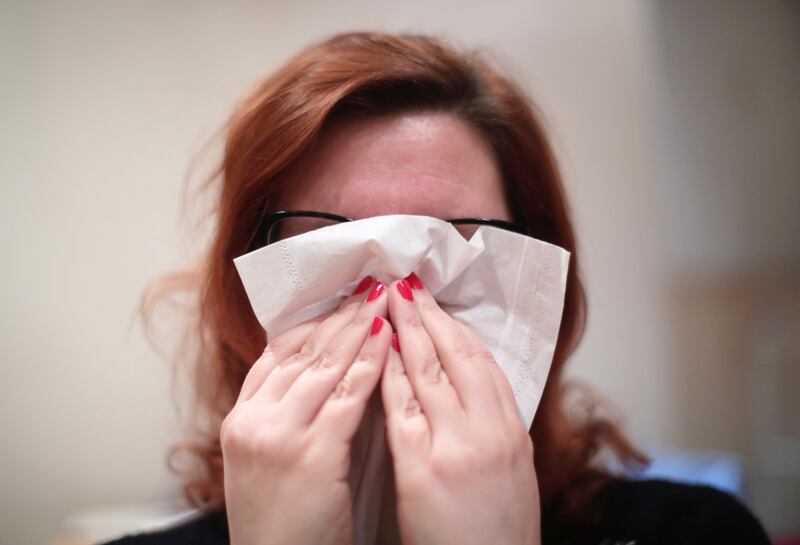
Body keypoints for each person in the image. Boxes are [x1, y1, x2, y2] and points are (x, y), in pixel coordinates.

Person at [106, 31, 770, 545]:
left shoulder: (694, 531)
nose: (397, 291)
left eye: (453, 241)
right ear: (245, 290)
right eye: (335, 242)